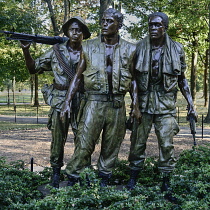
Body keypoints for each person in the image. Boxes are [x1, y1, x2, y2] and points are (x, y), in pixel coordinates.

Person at [60, 8, 142, 187]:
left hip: (117, 104)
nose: (104, 24)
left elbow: (134, 79)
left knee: (112, 145)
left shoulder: (131, 48)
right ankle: (74, 177)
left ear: (118, 25)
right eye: (103, 21)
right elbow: (77, 77)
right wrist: (67, 102)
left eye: (109, 21)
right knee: (85, 142)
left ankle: (105, 177)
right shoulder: (88, 46)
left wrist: (135, 106)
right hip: (94, 102)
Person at [127, 12, 197, 200]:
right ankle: (133, 178)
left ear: (164, 27)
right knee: (137, 142)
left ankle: (166, 182)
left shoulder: (177, 49)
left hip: (166, 104)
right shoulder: (138, 48)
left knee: (166, 144)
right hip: (143, 103)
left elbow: (182, 79)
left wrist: (191, 104)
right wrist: (134, 106)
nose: (153, 29)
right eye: (150, 25)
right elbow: (132, 79)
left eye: (157, 25)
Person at [20, 16, 91, 188]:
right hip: (60, 101)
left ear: (83, 33)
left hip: (83, 100)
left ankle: (80, 173)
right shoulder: (56, 51)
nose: (75, 32)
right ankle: (56, 173)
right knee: (58, 139)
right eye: (72, 29)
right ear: (66, 32)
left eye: (79, 29)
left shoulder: (90, 51)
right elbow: (33, 69)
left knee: (83, 138)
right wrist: (26, 51)